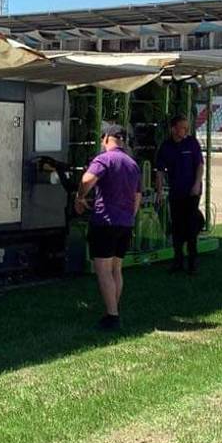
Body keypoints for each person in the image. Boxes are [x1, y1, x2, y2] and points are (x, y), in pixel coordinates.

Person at [75, 123, 142, 330]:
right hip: (125, 222)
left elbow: (87, 180)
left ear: (105, 139)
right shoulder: (133, 164)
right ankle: (113, 308)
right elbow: (137, 197)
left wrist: (80, 197)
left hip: (105, 222)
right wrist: (130, 215)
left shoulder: (104, 159)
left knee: (103, 270)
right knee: (116, 269)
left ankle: (112, 316)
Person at [155, 115, 204, 274]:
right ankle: (178, 261)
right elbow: (160, 171)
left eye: (187, 127)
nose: (186, 130)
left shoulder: (192, 143)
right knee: (177, 226)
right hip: (176, 192)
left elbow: (199, 165)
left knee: (191, 226)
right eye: (183, 127)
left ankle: (193, 263)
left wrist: (197, 184)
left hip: (192, 191)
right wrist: (159, 191)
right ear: (173, 129)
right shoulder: (166, 146)